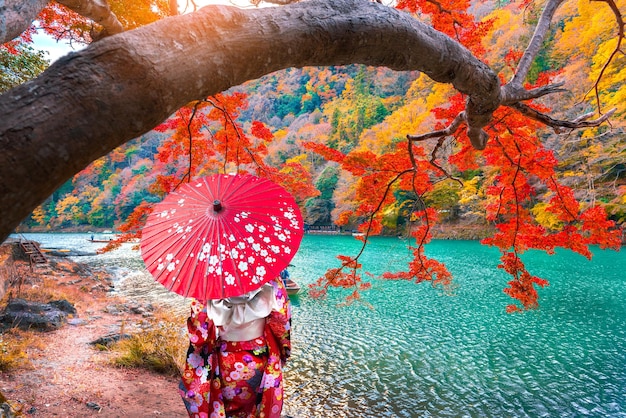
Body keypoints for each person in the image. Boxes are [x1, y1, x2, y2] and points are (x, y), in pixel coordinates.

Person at [179, 277, 291, 418]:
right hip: (259, 359)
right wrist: (283, 351)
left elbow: (199, 331)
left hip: (226, 362)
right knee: (255, 408)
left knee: (228, 409)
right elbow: (282, 323)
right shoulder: (270, 278)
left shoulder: (209, 280)